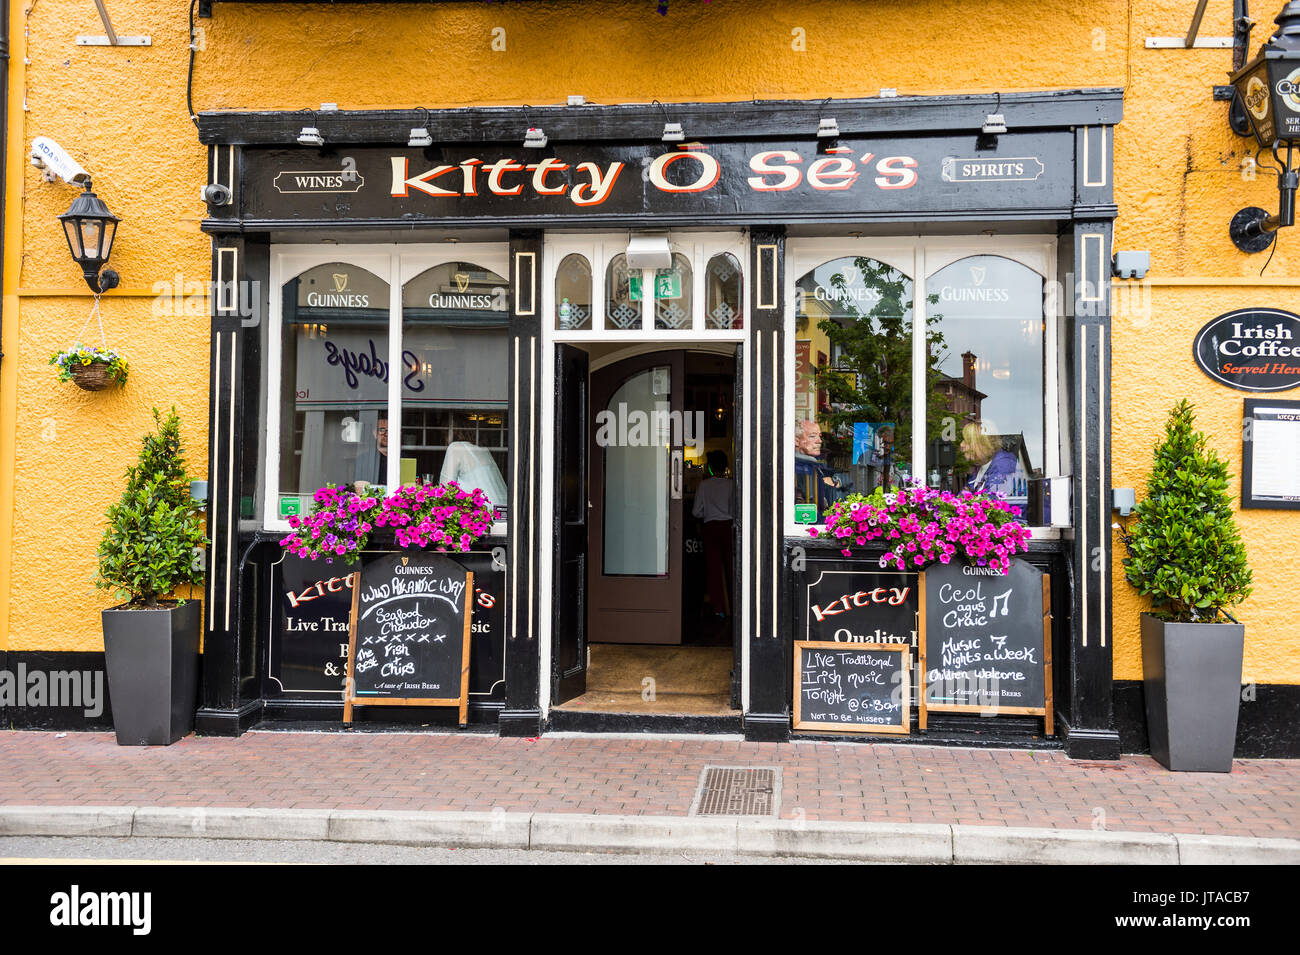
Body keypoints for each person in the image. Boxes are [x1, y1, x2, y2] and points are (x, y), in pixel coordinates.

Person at [692, 450, 734, 618]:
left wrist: (708, 513)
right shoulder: (731, 484)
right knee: (732, 567)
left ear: (709, 466)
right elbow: (736, 510)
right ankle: (734, 603)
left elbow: (696, 512)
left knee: (713, 568)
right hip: (729, 526)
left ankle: (719, 608)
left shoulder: (704, 485)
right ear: (725, 467)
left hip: (710, 528)